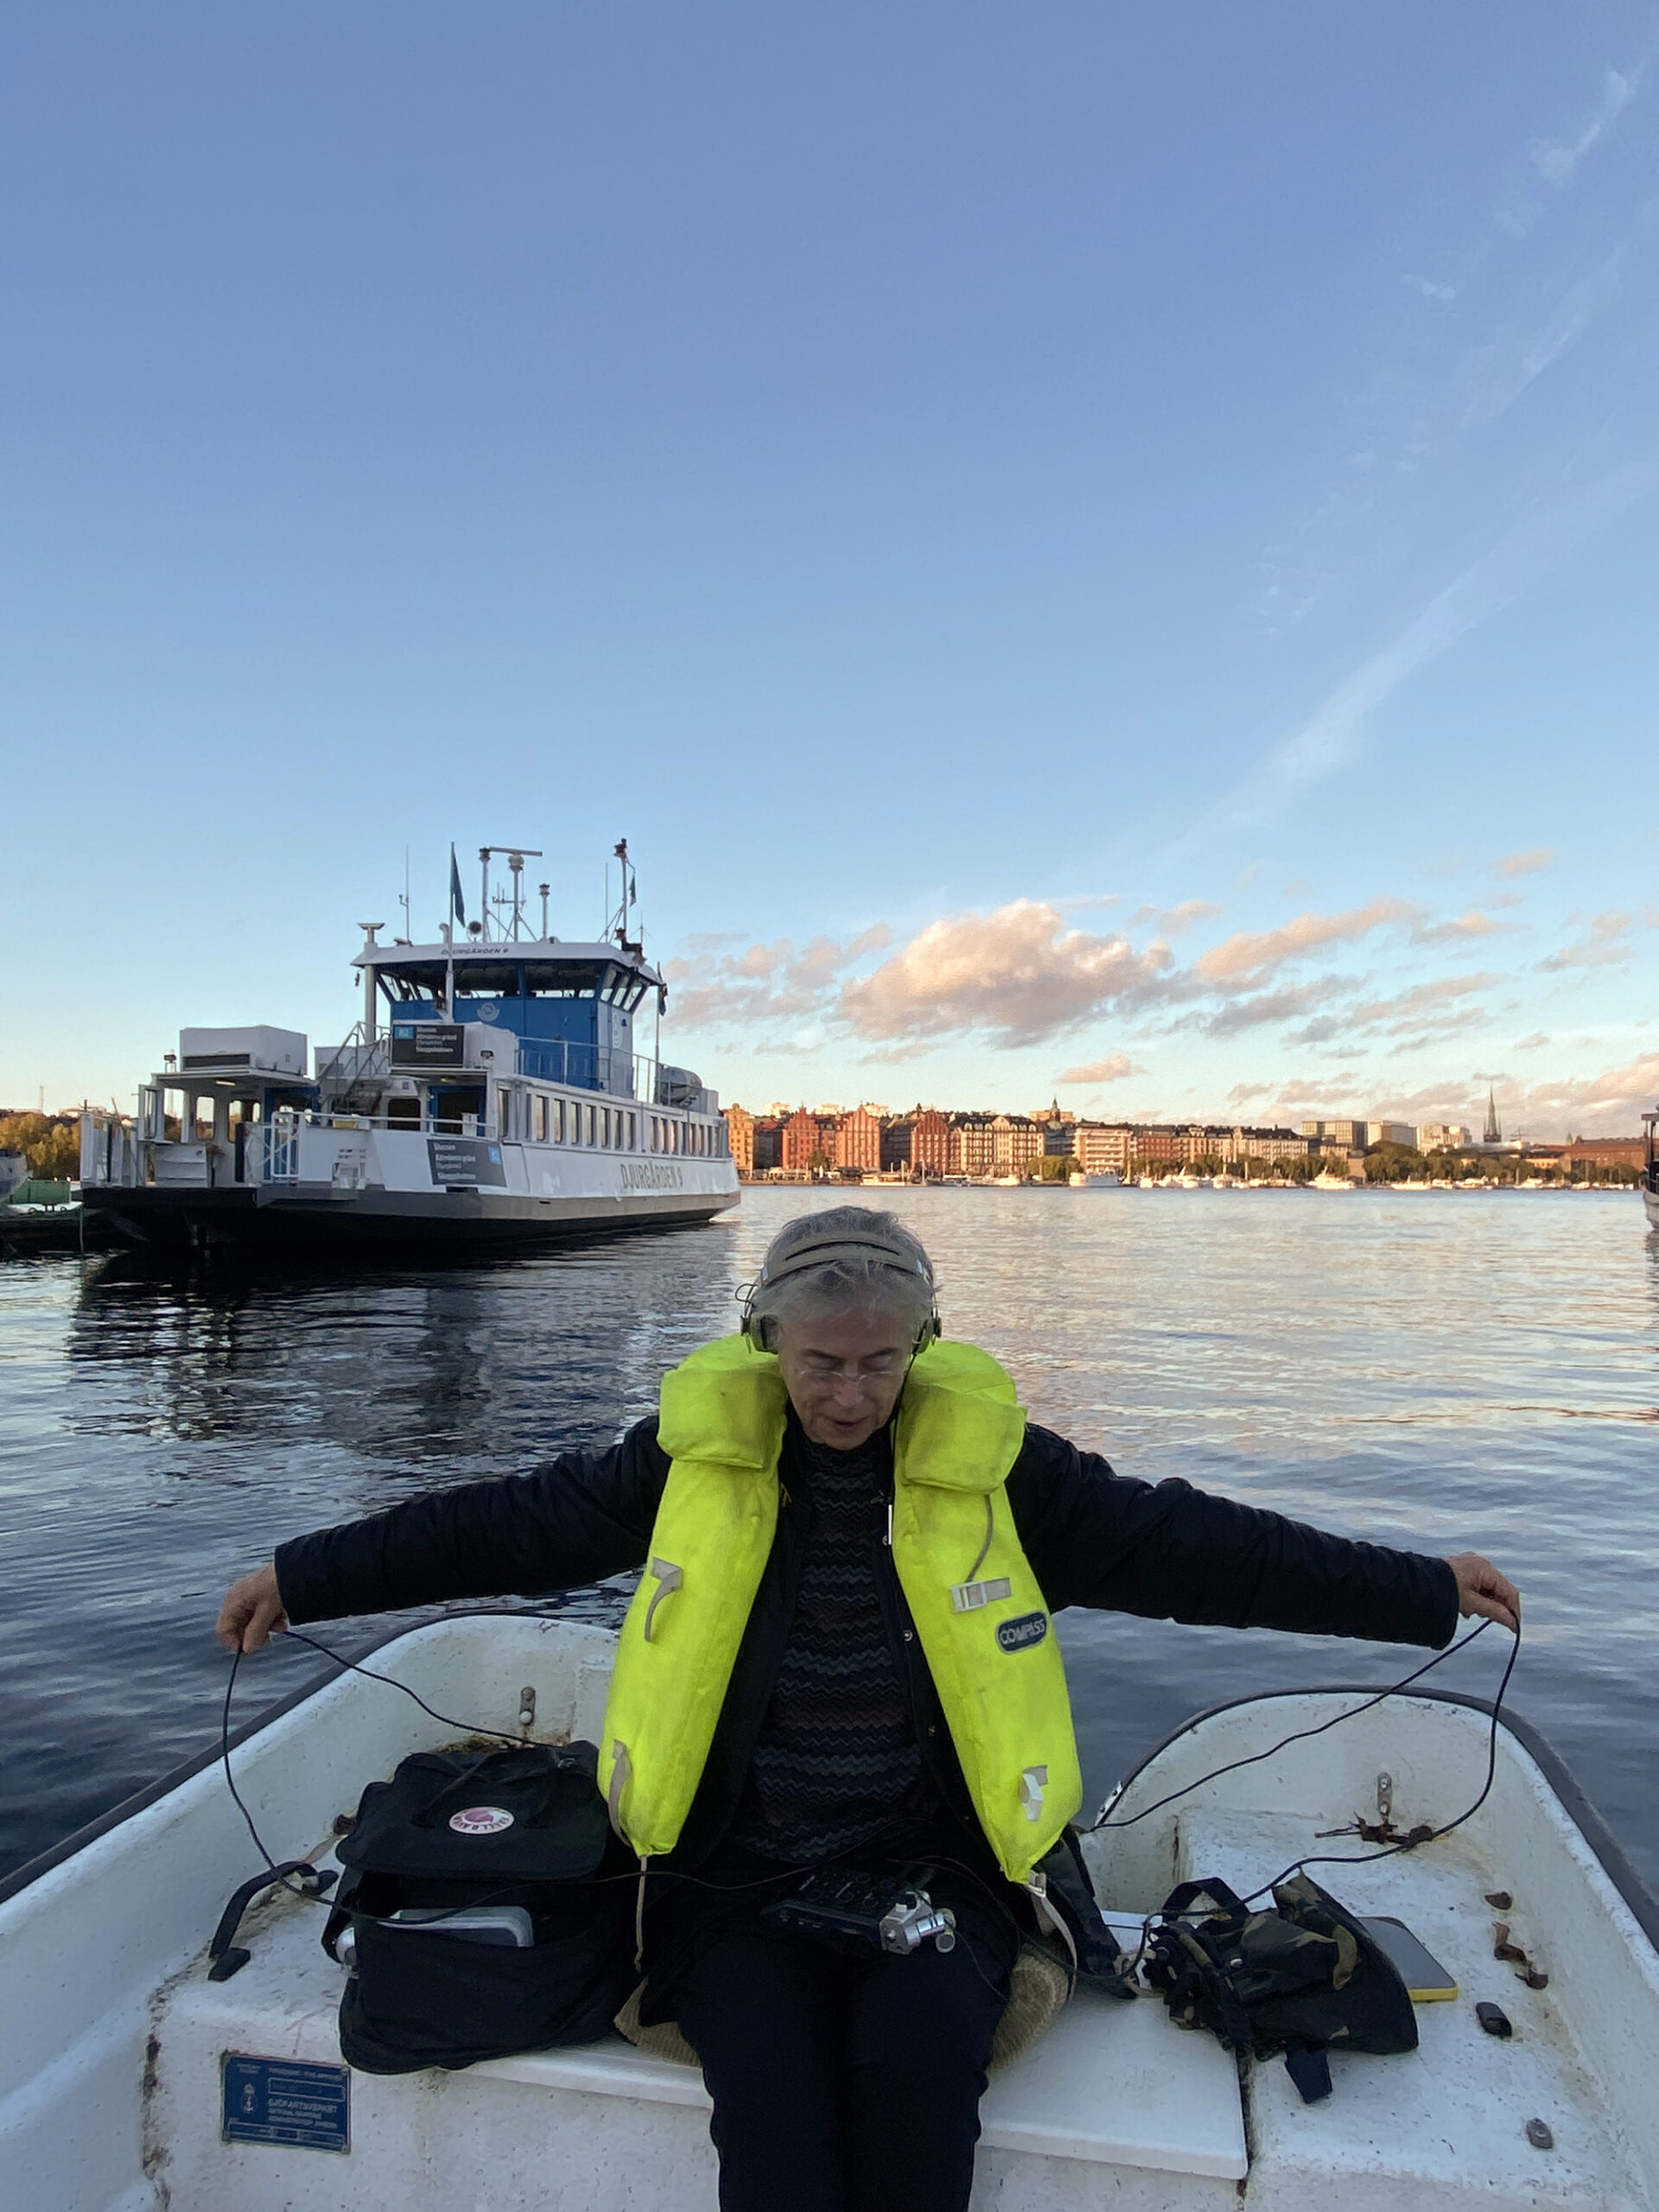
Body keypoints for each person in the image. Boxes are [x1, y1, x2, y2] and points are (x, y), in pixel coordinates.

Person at [218, 1207, 1519, 2212]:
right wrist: (308, 1575)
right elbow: (504, 1525)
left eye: (880, 1365)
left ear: (923, 1346)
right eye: (820, 1365)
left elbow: (1198, 1549)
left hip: (935, 1869)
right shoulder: (680, 1465)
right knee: (773, 2105)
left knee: (915, 2082)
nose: (849, 1397)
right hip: (732, 1873)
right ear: (765, 1343)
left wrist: (1413, 1589)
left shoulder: (1008, 1477)